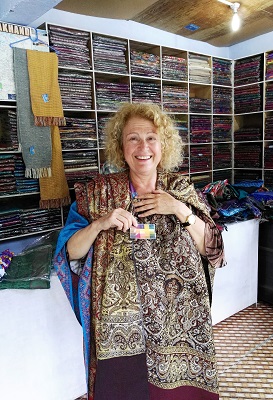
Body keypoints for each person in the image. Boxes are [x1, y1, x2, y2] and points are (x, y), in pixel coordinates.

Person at [54, 102, 226, 400]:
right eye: (133, 137)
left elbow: (214, 250)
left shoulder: (180, 190)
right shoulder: (98, 194)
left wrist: (179, 210)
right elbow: (69, 253)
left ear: (163, 145)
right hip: (120, 327)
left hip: (177, 325)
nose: (143, 146)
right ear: (121, 147)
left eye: (151, 137)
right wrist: (100, 224)